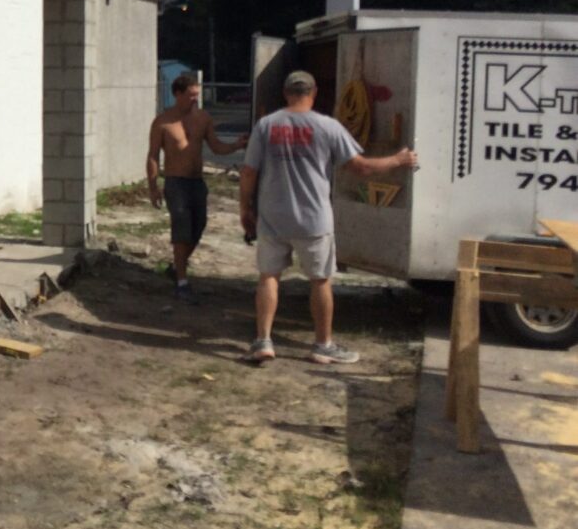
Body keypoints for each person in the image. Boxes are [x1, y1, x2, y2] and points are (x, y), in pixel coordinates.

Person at [239, 70, 418, 364]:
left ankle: (263, 342)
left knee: (269, 276)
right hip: (313, 219)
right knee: (320, 280)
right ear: (314, 92)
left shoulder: (266, 126)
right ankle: (322, 346)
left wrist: (245, 208)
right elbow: (361, 168)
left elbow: (248, 171)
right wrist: (399, 160)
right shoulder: (327, 126)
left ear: (286, 93)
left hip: (273, 216)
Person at [146, 72, 248, 304]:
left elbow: (216, 146)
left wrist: (236, 146)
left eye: (197, 95)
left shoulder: (203, 118)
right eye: (191, 95)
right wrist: (153, 186)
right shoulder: (163, 122)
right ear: (177, 94)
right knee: (181, 229)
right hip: (175, 181)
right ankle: (182, 281)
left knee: (198, 226)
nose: (195, 99)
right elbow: (153, 155)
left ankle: (177, 266)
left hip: (196, 181)